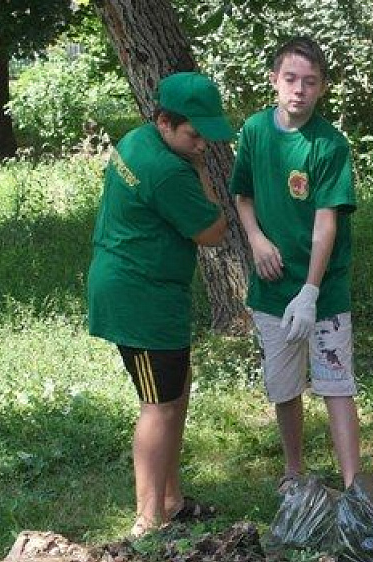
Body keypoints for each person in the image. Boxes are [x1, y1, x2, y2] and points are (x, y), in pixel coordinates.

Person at [86, 72, 235, 537]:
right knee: (159, 405)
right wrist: (201, 172)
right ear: (165, 121)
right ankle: (147, 522)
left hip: (148, 289)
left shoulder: (136, 140)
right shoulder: (170, 170)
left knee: (177, 390)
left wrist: (193, 159)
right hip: (140, 296)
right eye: (194, 135)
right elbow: (213, 232)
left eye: (207, 135)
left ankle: (170, 500)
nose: (203, 145)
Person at [230, 37, 361, 487]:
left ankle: (352, 483)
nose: (298, 90)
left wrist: (311, 291)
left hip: (323, 291)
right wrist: (255, 239)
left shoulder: (329, 145)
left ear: (322, 88)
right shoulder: (253, 132)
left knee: (335, 386)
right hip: (271, 286)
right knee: (284, 387)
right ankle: (293, 472)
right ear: (274, 81)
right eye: (290, 79)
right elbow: (242, 195)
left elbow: (326, 223)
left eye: (309, 82)